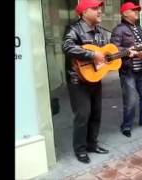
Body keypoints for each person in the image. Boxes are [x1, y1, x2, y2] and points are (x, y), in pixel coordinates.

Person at [62, 0, 109, 164]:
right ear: (83, 12)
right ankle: (80, 149)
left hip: (95, 77)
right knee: (83, 115)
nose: (99, 11)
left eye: (99, 8)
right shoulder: (74, 29)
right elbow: (67, 47)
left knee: (96, 113)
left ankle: (92, 144)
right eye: (95, 8)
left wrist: (126, 54)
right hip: (78, 79)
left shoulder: (100, 32)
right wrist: (91, 55)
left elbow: (104, 54)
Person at [110, 2, 142, 138]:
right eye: (133, 10)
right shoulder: (119, 29)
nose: (137, 12)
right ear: (125, 13)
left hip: (140, 68)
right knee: (130, 101)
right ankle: (126, 126)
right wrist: (133, 52)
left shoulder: (138, 27)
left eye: (137, 10)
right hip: (127, 70)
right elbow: (113, 50)